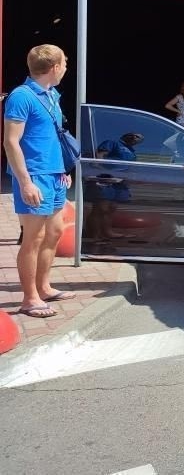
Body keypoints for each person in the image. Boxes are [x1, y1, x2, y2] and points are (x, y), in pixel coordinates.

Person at [3, 44, 76, 319]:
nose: (66, 68)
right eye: (64, 63)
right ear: (54, 67)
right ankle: (29, 299)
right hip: (34, 176)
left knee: (54, 233)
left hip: (55, 174)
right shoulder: (22, 96)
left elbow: (52, 136)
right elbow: (11, 142)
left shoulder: (52, 95)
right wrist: (25, 182)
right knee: (33, 239)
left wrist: (63, 169)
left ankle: (43, 288)